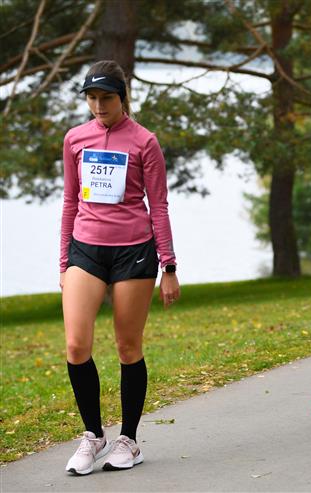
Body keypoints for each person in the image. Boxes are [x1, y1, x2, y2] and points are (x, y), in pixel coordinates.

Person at [60, 60, 179, 475]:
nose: (98, 106)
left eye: (106, 98)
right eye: (92, 98)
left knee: (128, 347)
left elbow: (158, 205)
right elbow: (70, 201)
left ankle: (129, 439)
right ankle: (94, 435)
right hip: (85, 250)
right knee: (76, 345)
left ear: (122, 97)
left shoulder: (145, 141)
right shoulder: (75, 139)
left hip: (134, 252)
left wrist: (169, 265)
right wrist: (64, 261)